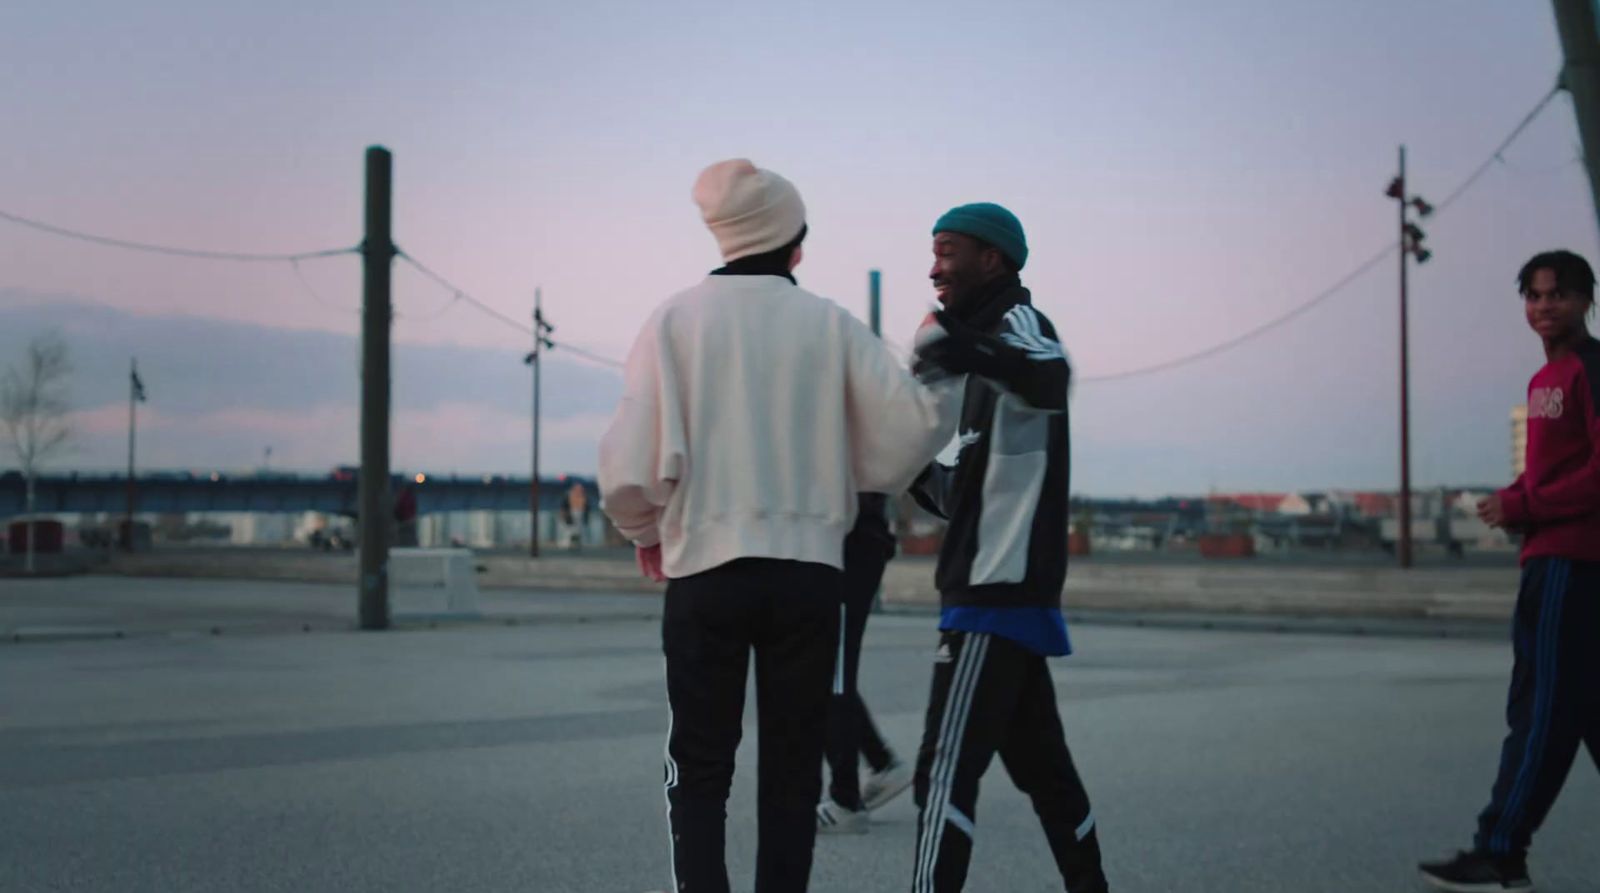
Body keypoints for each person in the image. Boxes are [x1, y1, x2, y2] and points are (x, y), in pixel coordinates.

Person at [598, 159, 963, 893]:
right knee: (792, 775)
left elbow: (628, 467)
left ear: (725, 237)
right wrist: (938, 351)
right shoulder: (829, 324)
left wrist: (647, 532)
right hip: (807, 576)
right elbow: (908, 434)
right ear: (795, 244)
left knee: (698, 770)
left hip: (704, 568)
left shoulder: (673, 320)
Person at [904, 203, 1109, 893]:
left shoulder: (1018, 327)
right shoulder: (979, 369)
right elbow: (954, 494)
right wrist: (895, 461)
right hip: (1000, 588)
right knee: (1050, 777)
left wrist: (965, 350)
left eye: (947, 250)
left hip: (992, 590)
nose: (934, 267)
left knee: (942, 777)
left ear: (992, 258)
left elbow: (1052, 372)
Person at [1418, 249, 1600, 893]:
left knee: (1542, 710)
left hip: (1571, 565)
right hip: (1548, 556)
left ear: (1585, 299)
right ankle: (1501, 845)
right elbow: (1551, 469)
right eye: (1533, 295)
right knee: (1584, 710)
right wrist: (1517, 496)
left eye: (1558, 294)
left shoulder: (1591, 369)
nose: (1544, 306)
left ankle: (1500, 848)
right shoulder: (1543, 381)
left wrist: (1524, 504)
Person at [815, 493, 916, 834]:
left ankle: (846, 801)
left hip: (850, 540)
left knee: (832, 672)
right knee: (827, 669)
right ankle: (881, 763)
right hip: (843, 537)